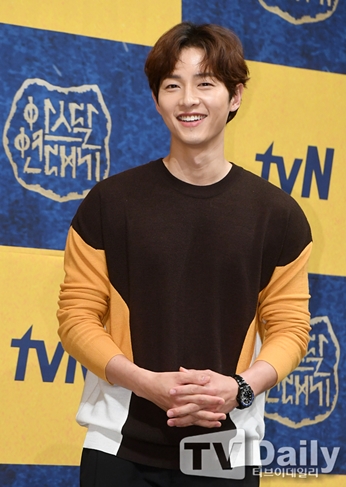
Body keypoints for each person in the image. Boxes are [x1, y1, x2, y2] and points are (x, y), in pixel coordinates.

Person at [57, 22, 312, 486]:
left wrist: (240, 389)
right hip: (118, 444)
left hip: (227, 449)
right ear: (157, 100)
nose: (188, 100)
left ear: (235, 97)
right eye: (173, 85)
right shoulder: (110, 203)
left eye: (205, 83)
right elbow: (77, 317)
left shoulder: (278, 214)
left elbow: (290, 328)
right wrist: (144, 383)